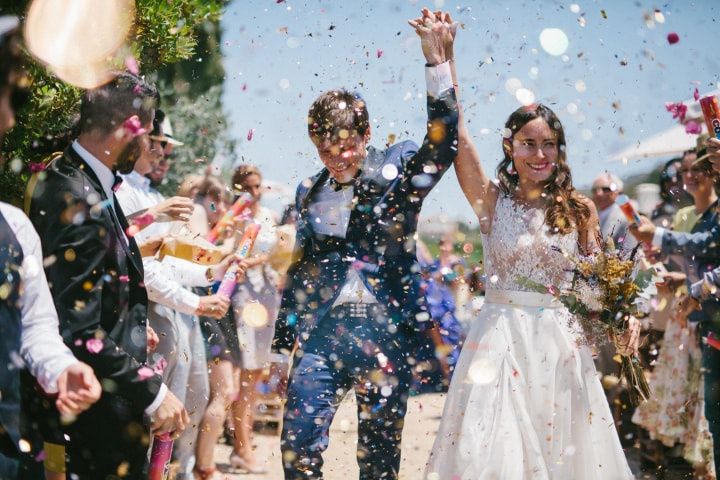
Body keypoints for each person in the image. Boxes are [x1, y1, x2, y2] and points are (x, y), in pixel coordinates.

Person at [425, 11, 636, 476]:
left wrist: (623, 314)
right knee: (492, 452)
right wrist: (443, 59)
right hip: (498, 338)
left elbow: (596, 286)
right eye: (527, 143)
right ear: (510, 148)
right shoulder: (490, 201)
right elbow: (457, 137)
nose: (539, 154)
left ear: (560, 150)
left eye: (549, 144)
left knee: (562, 455)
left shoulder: (580, 210)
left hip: (559, 346)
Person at [272, 9, 458, 479]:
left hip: (385, 336)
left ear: (367, 133)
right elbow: (299, 272)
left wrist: (436, 64)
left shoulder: (397, 172)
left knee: (378, 460)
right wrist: (280, 348)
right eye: (324, 148)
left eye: (346, 145)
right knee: (297, 445)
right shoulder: (308, 192)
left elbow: (443, 146)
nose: (337, 157)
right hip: (321, 337)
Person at [27, 72, 188, 479]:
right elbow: (75, 328)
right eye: (149, 132)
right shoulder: (74, 196)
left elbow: (96, 289)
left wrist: (131, 326)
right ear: (128, 127)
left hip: (107, 407)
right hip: (90, 426)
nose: (150, 144)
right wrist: (153, 394)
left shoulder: (87, 182)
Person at [0, 17, 102, 480]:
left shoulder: (15, 227)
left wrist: (61, 367)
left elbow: (35, 325)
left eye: (11, 100)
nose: (7, 118)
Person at [629, 142, 720, 477]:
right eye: (686, 171)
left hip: (705, 317)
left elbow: (707, 251)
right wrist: (667, 264)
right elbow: (699, 255)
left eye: (699, 168)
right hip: (693, 317)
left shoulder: (713, 213)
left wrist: (687, 279)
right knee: (700, 410)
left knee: (706, 410)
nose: (691, 175)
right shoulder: (686, 215)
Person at [227, 165, 281, 473]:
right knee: (246, 373)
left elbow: (277, 253)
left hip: (268, 295)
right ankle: (241, 448)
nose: (254, 192)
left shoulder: (269, 217)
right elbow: (230, 254)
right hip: (244, 296)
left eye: (257, 186)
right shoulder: (233, 219)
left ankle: (243, 441)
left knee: (257, 373)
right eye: (247, 187)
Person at [591, 172, 639, 250]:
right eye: (595, 190)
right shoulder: (595, 215)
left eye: (605, 189)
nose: (599, 193)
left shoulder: (628, 211)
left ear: (618, 191)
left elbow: (631, 247)